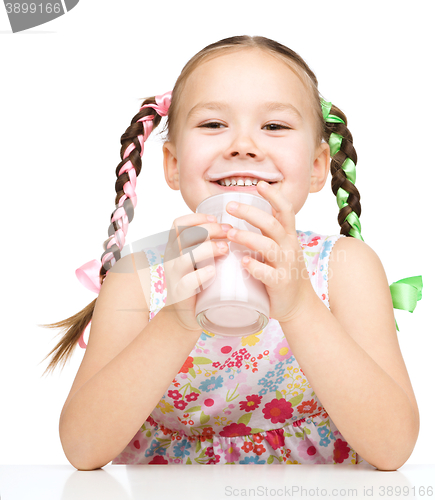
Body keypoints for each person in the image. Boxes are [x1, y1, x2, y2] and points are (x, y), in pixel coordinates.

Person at [41, 35, 421, 470]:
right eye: (212, 124)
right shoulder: (137, 278)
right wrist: (176, 319)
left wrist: (299, 308)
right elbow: (82, 450)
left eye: (274, 126)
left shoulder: (346, 268)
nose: (243, 144)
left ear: (318, 166)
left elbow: (393, 448)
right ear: (173, 163)